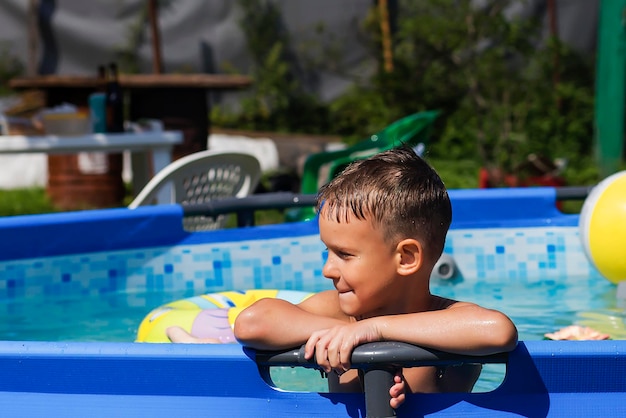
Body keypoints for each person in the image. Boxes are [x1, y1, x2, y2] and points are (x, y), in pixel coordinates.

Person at [170, 146, 518, 409]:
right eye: (328, 252)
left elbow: (498, 331)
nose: (328, 269)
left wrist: (373, 332)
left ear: (406, 258)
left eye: (345, 255)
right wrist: (348, 338)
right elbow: (253, 323)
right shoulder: (335, 314)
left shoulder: (445, 319)